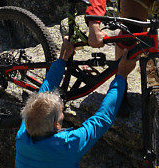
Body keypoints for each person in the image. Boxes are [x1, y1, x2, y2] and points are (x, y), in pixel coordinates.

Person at [15, 38, 129, 167]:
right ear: (57, 125)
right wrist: (121, 75)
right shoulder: (67, 145)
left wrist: (62, 60)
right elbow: (102, 118)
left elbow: (43, 92)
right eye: (61, 111)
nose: (62, 110)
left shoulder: (23, 137)